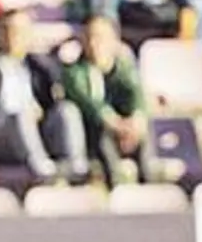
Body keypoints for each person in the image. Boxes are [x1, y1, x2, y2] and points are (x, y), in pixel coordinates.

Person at [0, 9, 87, 181]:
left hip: (36, 132)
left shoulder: (40, 68)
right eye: (7, 30)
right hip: (1, 135)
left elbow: (51, 104)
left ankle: (76, 167)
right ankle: (44, 171)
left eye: (20, 32)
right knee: (21, 115)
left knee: (67, 110)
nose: (13, 36)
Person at [61, 15, 155, 184]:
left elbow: (136, 95)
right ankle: (114, 187)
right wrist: (117, 125)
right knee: (103, 135)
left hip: (122, 132)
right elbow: (91, 106)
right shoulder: (74, 73)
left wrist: (135, 121)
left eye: (101, 37)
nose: (94, 43)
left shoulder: (124, 69)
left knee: (144, 135)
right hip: (91, 134)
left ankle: (148, 186)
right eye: (89, 37)